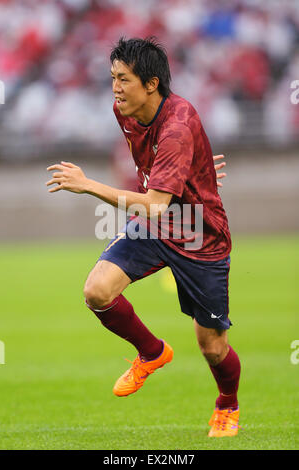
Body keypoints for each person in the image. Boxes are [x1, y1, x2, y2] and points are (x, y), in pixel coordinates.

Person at [46, 37, 241, 438]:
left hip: (197, 233)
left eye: (123, 79)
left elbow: (153, 203)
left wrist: (87, 185)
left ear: (151, 84)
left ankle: (227, 404)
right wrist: (195, 169)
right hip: (157, 224)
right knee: (97, 291)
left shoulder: (178, 127)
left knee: (212, 348)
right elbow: (155, 187)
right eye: (112, 77)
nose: (115, 88)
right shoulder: (127, 111)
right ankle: (152, 352)